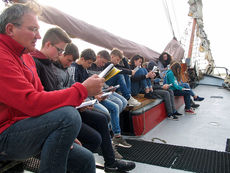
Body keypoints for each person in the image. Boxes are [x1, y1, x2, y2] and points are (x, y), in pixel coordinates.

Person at [0, 3, 105, 173]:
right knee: (68, 116)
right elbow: (31, 103)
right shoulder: (2, 58)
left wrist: (64, 135)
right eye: (33, 29)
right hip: (4, 133)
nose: (38, 35)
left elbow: (40, 94)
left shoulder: (26, 58)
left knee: (85, 160)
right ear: (10, 29)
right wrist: (82, 90)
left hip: (23, 126)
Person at [33, 41, 135, 171]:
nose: (70, 64)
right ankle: (73, 162)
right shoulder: (50, 68)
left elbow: (69, 89)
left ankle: (110, 162)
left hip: (73, 107)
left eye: (71, 61)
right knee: (95, 138)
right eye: (68, 59)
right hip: (65, 112)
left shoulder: (67, 69)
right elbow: (51, 97)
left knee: (102, 118)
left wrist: (83, 101)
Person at [72, 48, 132, 148]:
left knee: (119, 104)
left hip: (94, 95)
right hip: (87, 98)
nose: (90, 65)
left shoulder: (85, 68)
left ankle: (113, 136)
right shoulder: (76, 69)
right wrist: (95, 95)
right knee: (107, 112)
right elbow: (80, 88)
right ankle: (109, 138)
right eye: (103, 62)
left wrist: (107, 89)